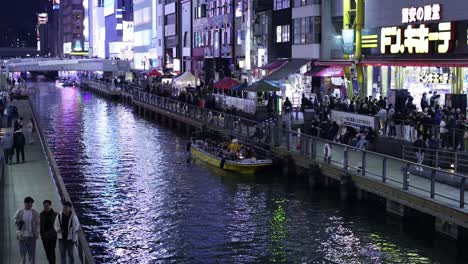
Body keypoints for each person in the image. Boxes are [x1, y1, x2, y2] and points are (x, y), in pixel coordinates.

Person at [14, 196, 40, 264]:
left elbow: (38, 224)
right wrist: (18, 221)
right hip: (21, 236)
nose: (30, 205)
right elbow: (15, 220)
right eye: (29, 203)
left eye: (31, 203)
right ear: (25, 203)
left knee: (32, 255)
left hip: (32, 236)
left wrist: (37, 232)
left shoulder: (35, 212)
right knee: (22, 255)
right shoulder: (20, 211)